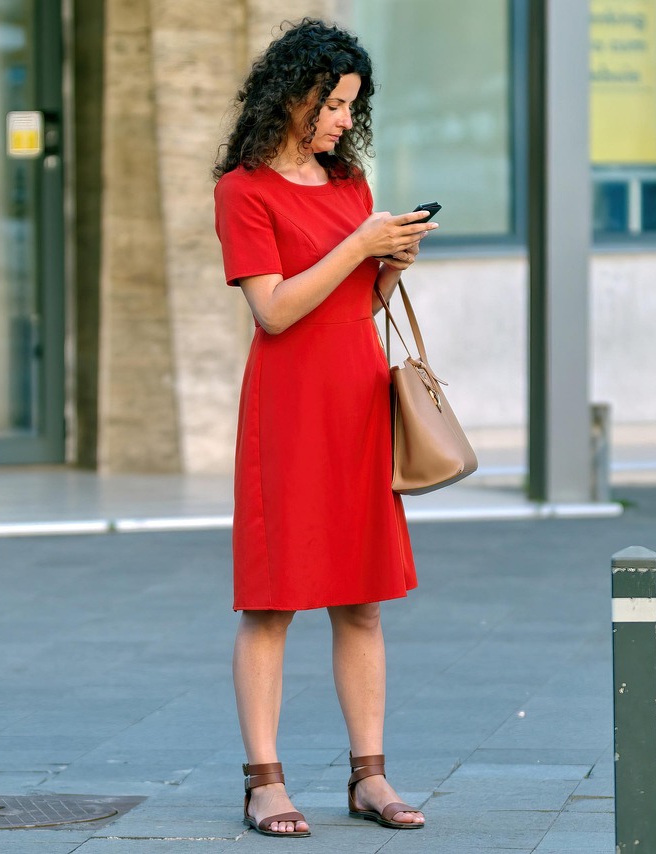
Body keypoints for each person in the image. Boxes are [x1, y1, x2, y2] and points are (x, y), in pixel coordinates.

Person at [212, 19, 436, 838]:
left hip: (356, 401)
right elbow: (274, 312)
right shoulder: (243, 190)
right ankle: (263, 781)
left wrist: (389, 267)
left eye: (352, 106)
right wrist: (359, 247)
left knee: (363, 601)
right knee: (273, 603)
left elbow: (351, 309)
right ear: (294, 95)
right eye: (334, 103)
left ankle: (369, 775)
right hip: (288, 409)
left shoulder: (350, 186)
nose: (345, 120)